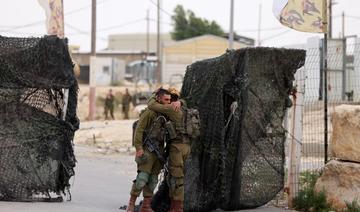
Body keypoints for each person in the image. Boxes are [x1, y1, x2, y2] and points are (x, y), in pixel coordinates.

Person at [125, 89, 172, 212]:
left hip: (160, 152)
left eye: (170, 100)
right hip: (148, 150)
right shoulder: (150, 112)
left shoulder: (167, 114)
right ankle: (131, 203)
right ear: (158, 99)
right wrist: (139, 148)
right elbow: (139, 130)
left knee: (153, 180)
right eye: (166, 99)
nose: (168, 102)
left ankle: (146, 206)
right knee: (142, 178)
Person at [147, 88, 190, 212]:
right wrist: (181, 101)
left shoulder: (171, 108)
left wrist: (155, 94)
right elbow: (184, 102)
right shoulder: (184, 108)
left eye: (170, 99)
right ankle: (174, 206)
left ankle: (177, 208)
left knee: (177, 178)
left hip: (177, 148)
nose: (168, 101)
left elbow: (151, 105)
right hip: (186, 147)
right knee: (174, 176)